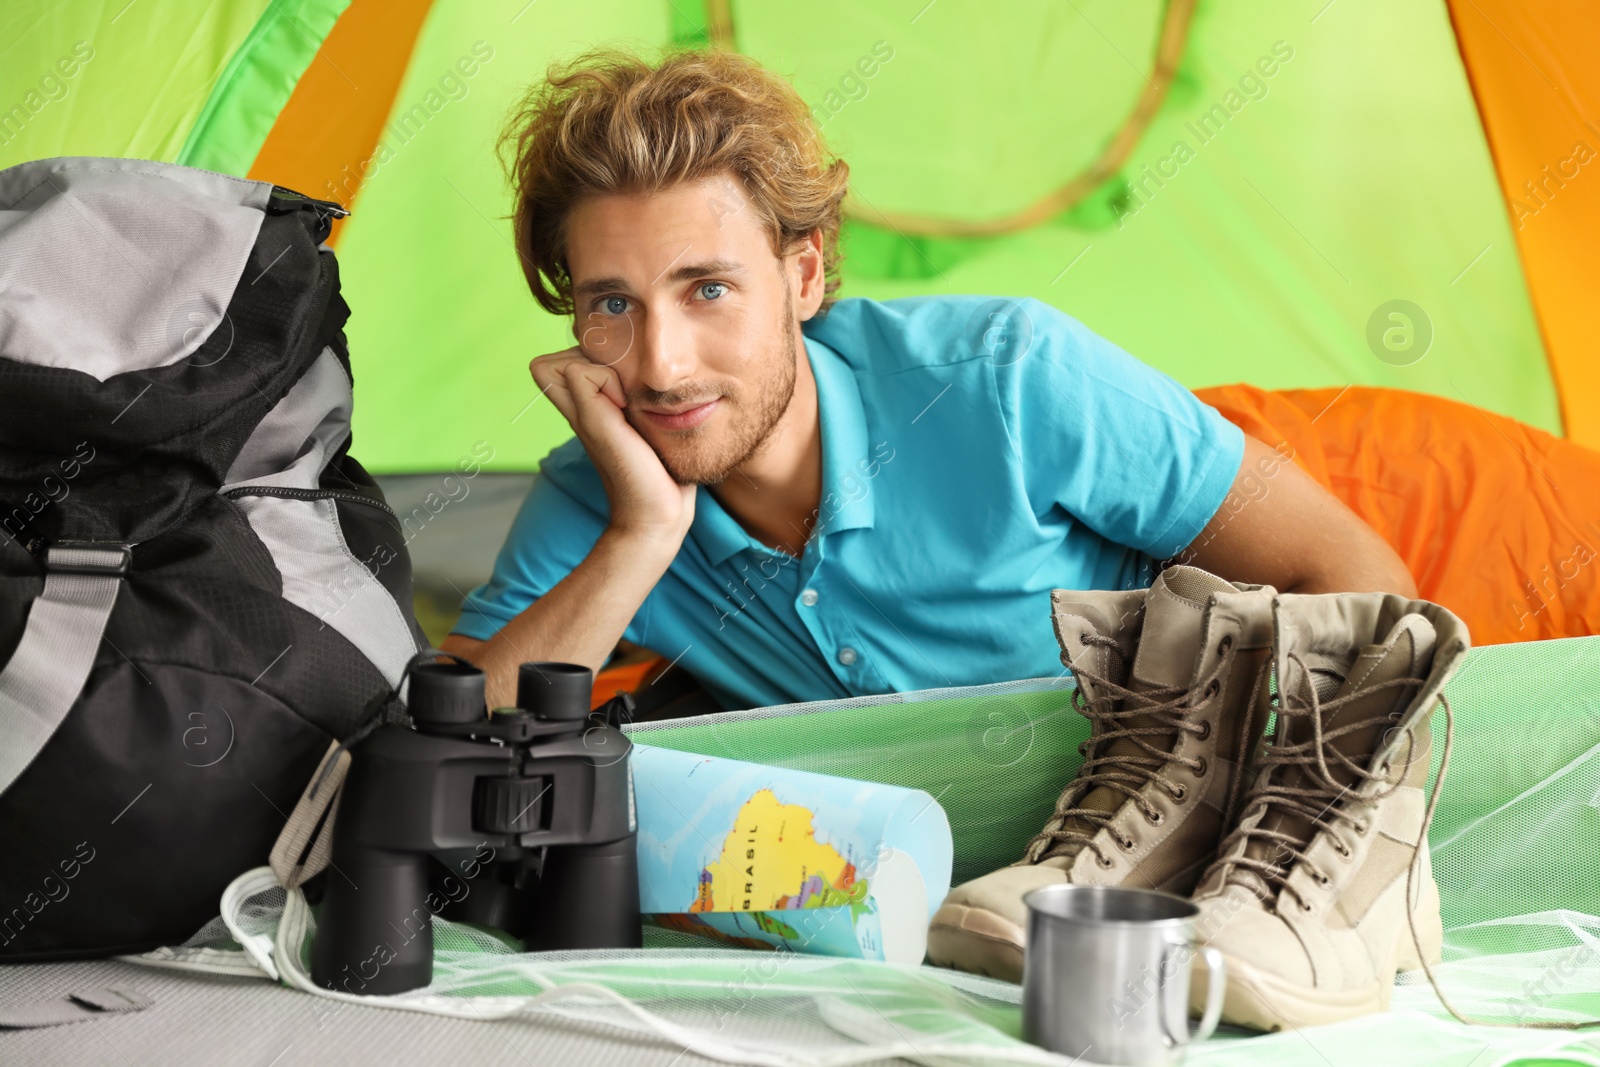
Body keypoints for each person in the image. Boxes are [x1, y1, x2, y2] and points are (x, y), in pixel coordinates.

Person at [441, 47, 1415, 711]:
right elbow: (443, 734)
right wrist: (642, 534)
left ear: (805, 272)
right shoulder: (606, 491)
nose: (660, 364)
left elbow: (1358, 578)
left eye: (707, 289)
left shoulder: (1011, 382)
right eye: (612, 304)